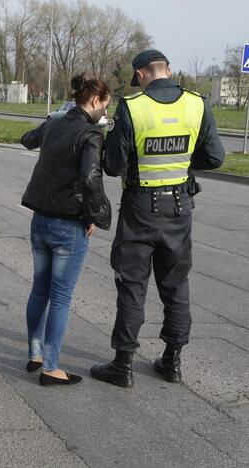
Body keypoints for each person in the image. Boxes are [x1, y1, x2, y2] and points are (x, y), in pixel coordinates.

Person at [90, 50, 225, 388]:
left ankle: (123, 366)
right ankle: (172, 362)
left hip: (140, 209)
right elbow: (215, 157)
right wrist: (182, 164)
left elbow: (114, 167)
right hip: (179, 207)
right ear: (168, 70)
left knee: (133, 286)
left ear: (140, 75)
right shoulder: (197, 104)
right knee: (176, 285)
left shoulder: (133, 107)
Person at [20, 75, 112, 386]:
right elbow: (91, 179)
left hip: (40, 219)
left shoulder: (55, 122)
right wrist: (94, 215)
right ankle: (52, 367)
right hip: (67, 225)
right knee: (60, 298)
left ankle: (35, 354)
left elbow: (27, 139)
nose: (105, 114)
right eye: (105, 107)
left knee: (39, 291)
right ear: (96, 101)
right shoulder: (91, 133)